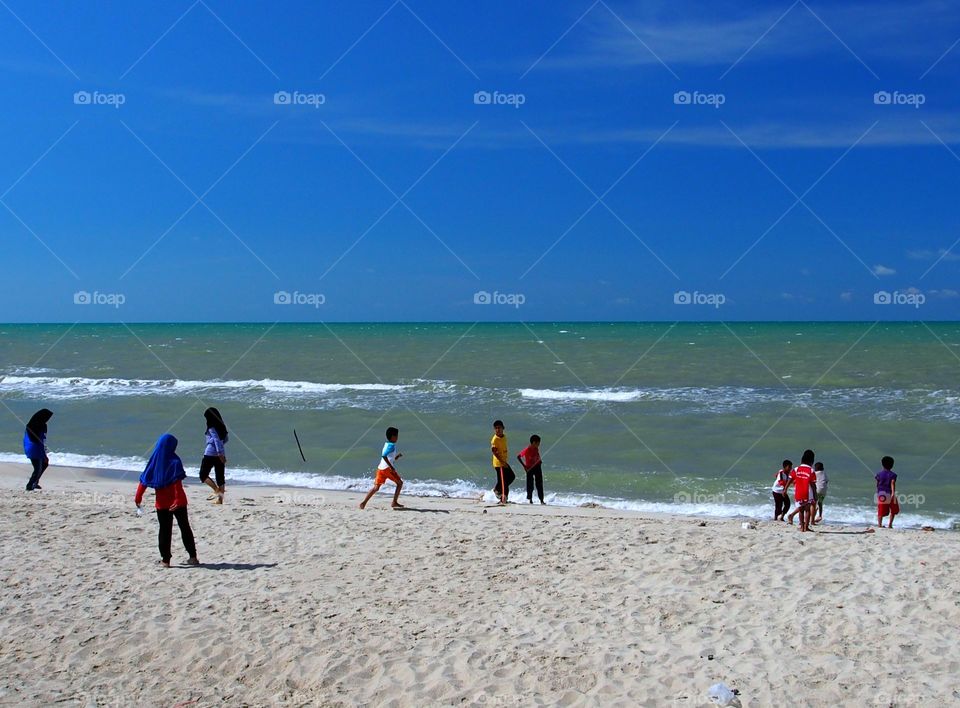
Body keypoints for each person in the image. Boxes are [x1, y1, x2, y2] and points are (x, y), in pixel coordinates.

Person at [135, 434, 199, 567]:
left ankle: (165, 561)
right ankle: (193, 557)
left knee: (164, 530)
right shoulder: (175, 461)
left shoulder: (154, 461)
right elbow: (177, 484)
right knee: (185, 528)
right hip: (179, 502)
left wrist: (138, 497)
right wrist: (177, 499)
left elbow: (144, 480)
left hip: (162, 503)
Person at [359, 427, 404, 509]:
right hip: (387, 469)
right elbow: (384, 455)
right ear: (393, 436)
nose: (397, 437)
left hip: (381, 468)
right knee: (400, 483)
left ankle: (363, 503)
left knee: (376, 488)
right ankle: (394, 502)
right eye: (397, 436)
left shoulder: (386, 444)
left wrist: (397, 457)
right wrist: (391, 467)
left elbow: (390, 458)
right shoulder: (391, 446)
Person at [199, 407, 228, 505]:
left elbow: (215, 439)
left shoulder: (211, 426)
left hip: (210, 453)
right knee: (220, 477)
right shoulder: (222, 426)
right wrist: (221, 453)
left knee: (203, 475)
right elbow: (226, 439)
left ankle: (216, 490)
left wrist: (219, 453)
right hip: (221, 452)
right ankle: (220, 500)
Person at [786, 449, 816, 532]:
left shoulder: (796, 469)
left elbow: (790, 480)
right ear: (812, 461)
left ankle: (802, 527)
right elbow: (813, 485)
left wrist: (785, 489)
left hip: (799, 493)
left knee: (801, 510)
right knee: (807, 510)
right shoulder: (811, 470)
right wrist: (815, 495)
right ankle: (806, 527)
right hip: (808, 493)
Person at [23, 409, 53, 491]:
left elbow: (43, 439)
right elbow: (35, 440)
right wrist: (43, 452)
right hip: (33, 448)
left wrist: (45, 452)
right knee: (38, 468)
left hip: (38, 448)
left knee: (44, 464)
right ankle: (30, 486)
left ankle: (35, 482)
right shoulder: (33, 425)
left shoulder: (43, 425)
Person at [491, 420, 515, 504]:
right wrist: (502, 462)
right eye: (496, 428)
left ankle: (497, 489)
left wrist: (504, 462)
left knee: (512, 476)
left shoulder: (504, 437)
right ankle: (503, 499)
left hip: (504, 461)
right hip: (499, 463)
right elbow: (494, 452)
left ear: (503, 428)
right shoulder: (495, 440)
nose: (498, 430)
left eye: (499, 428)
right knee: (504, 482)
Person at [517, 434, 545, 504]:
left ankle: (541, 500)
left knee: (539, 483)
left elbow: (537, 454)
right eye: (538, 443)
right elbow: (518, 457)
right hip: (529, 468)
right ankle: (530, 499)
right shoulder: (527, 449)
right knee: (530, 484)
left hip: (537, 466)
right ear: (533, 443)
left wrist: (540, 460)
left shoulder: (536, 448)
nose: (539, 445)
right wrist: (524, 466)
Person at [876, 456, 899, 528]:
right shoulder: (893, 475)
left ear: (882, 464)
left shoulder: (879, 474)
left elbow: (877, 484)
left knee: (881, 510)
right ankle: (890, 524)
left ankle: (879, 524)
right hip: (889, 493)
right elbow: (892, 483)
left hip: (881, 494)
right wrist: (893, 493)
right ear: (892, 465)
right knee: (894, 509)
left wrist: (878, 492)